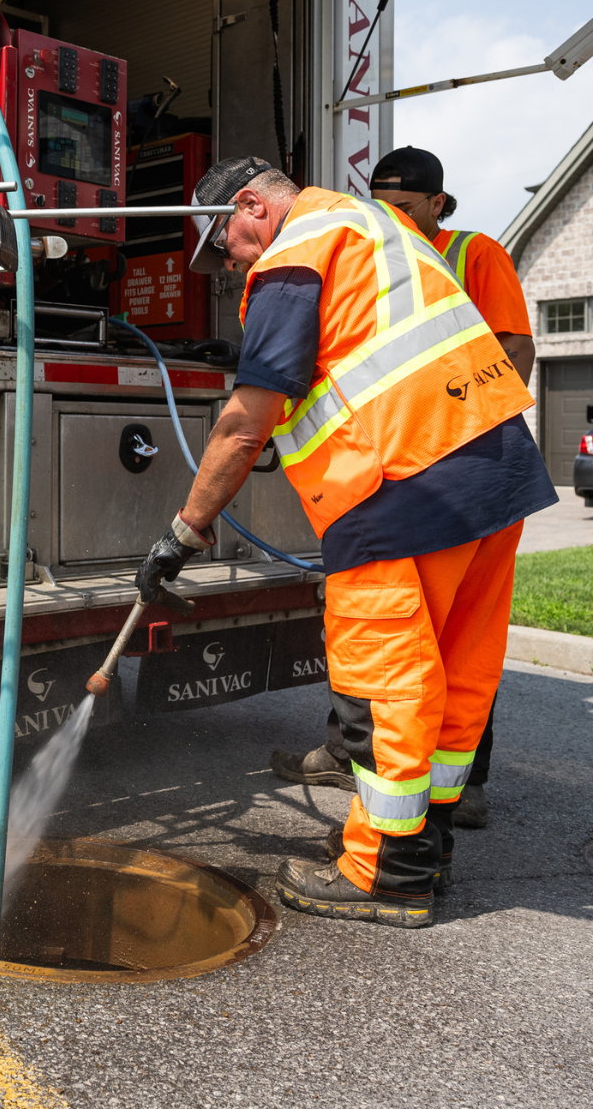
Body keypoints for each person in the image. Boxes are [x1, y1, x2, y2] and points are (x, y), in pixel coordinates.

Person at [136, 156, 556, 927]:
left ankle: (385, 875)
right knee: (458, 675)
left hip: (403, 484)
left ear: (253, 207)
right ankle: (426, 851)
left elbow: (244, 419)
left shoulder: (297, 253)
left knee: (383, 680)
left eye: (223, 244)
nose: (228, 265)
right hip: (491, 469)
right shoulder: (370, 227)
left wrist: (184, 532)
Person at [268, 146, 536, 831]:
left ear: (439, 206)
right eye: (383, 204)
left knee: (438, 645)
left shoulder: (474, 253)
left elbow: (515, 349)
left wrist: (462, 430)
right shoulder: (373, 245)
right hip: (388, 467)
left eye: (408, 207)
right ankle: (356, 760)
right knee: (387, 638)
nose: (394, 217)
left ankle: (452, 790)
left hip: (449, 465)